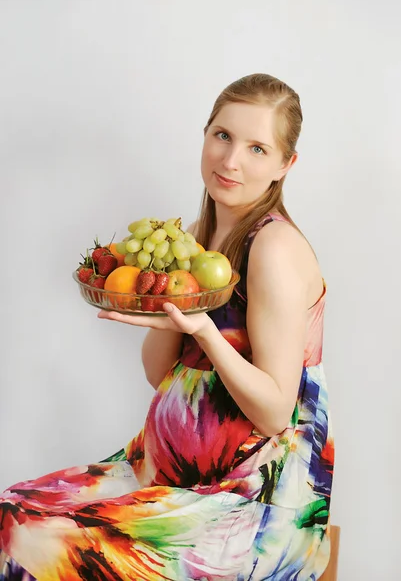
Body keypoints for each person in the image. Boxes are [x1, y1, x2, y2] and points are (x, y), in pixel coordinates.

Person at [0, 73, 334, 580]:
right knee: (11, 510)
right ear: (205, 133)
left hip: (250, 507)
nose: (231, 160)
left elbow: (273, 413)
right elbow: (160, 374)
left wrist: (205, 332)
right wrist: (165, 317)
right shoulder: (201, 238)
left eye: (258, 148)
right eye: (222, 135)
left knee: (33, 540)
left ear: (285, 166)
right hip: (163, 476)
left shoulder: (273, 249)